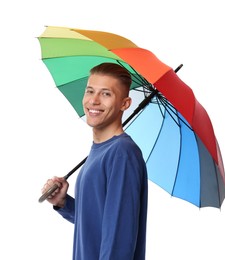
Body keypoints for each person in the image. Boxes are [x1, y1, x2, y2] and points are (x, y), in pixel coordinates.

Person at [41, 62, 148, 260]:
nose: (94, 100)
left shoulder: (122, 153)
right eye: (90, 91)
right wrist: (63, 203)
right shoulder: (99, 151)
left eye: (106, 94)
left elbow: (119, 238)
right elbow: (97, 223)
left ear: (125, 104)